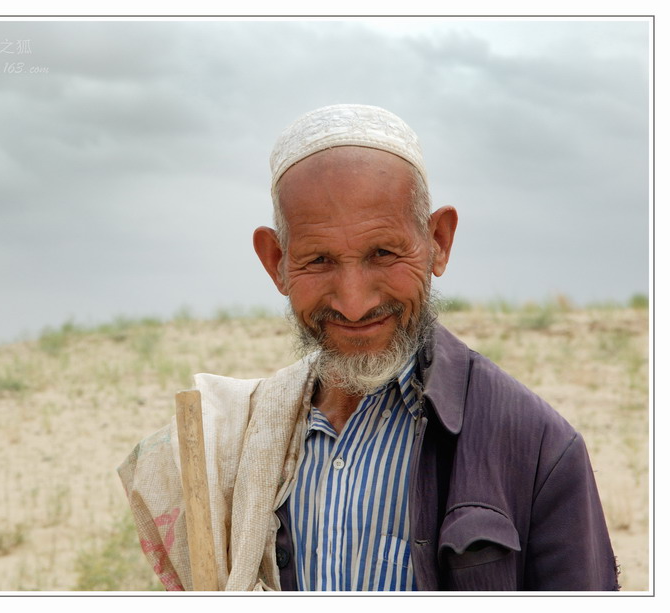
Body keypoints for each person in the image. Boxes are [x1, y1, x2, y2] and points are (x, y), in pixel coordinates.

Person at [118, 104, 619, 591]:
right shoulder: (231, 441)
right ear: (276, 261)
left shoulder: (538, 450)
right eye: (318, 259)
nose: (354, 303)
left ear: (438, 242)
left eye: (383, 253)